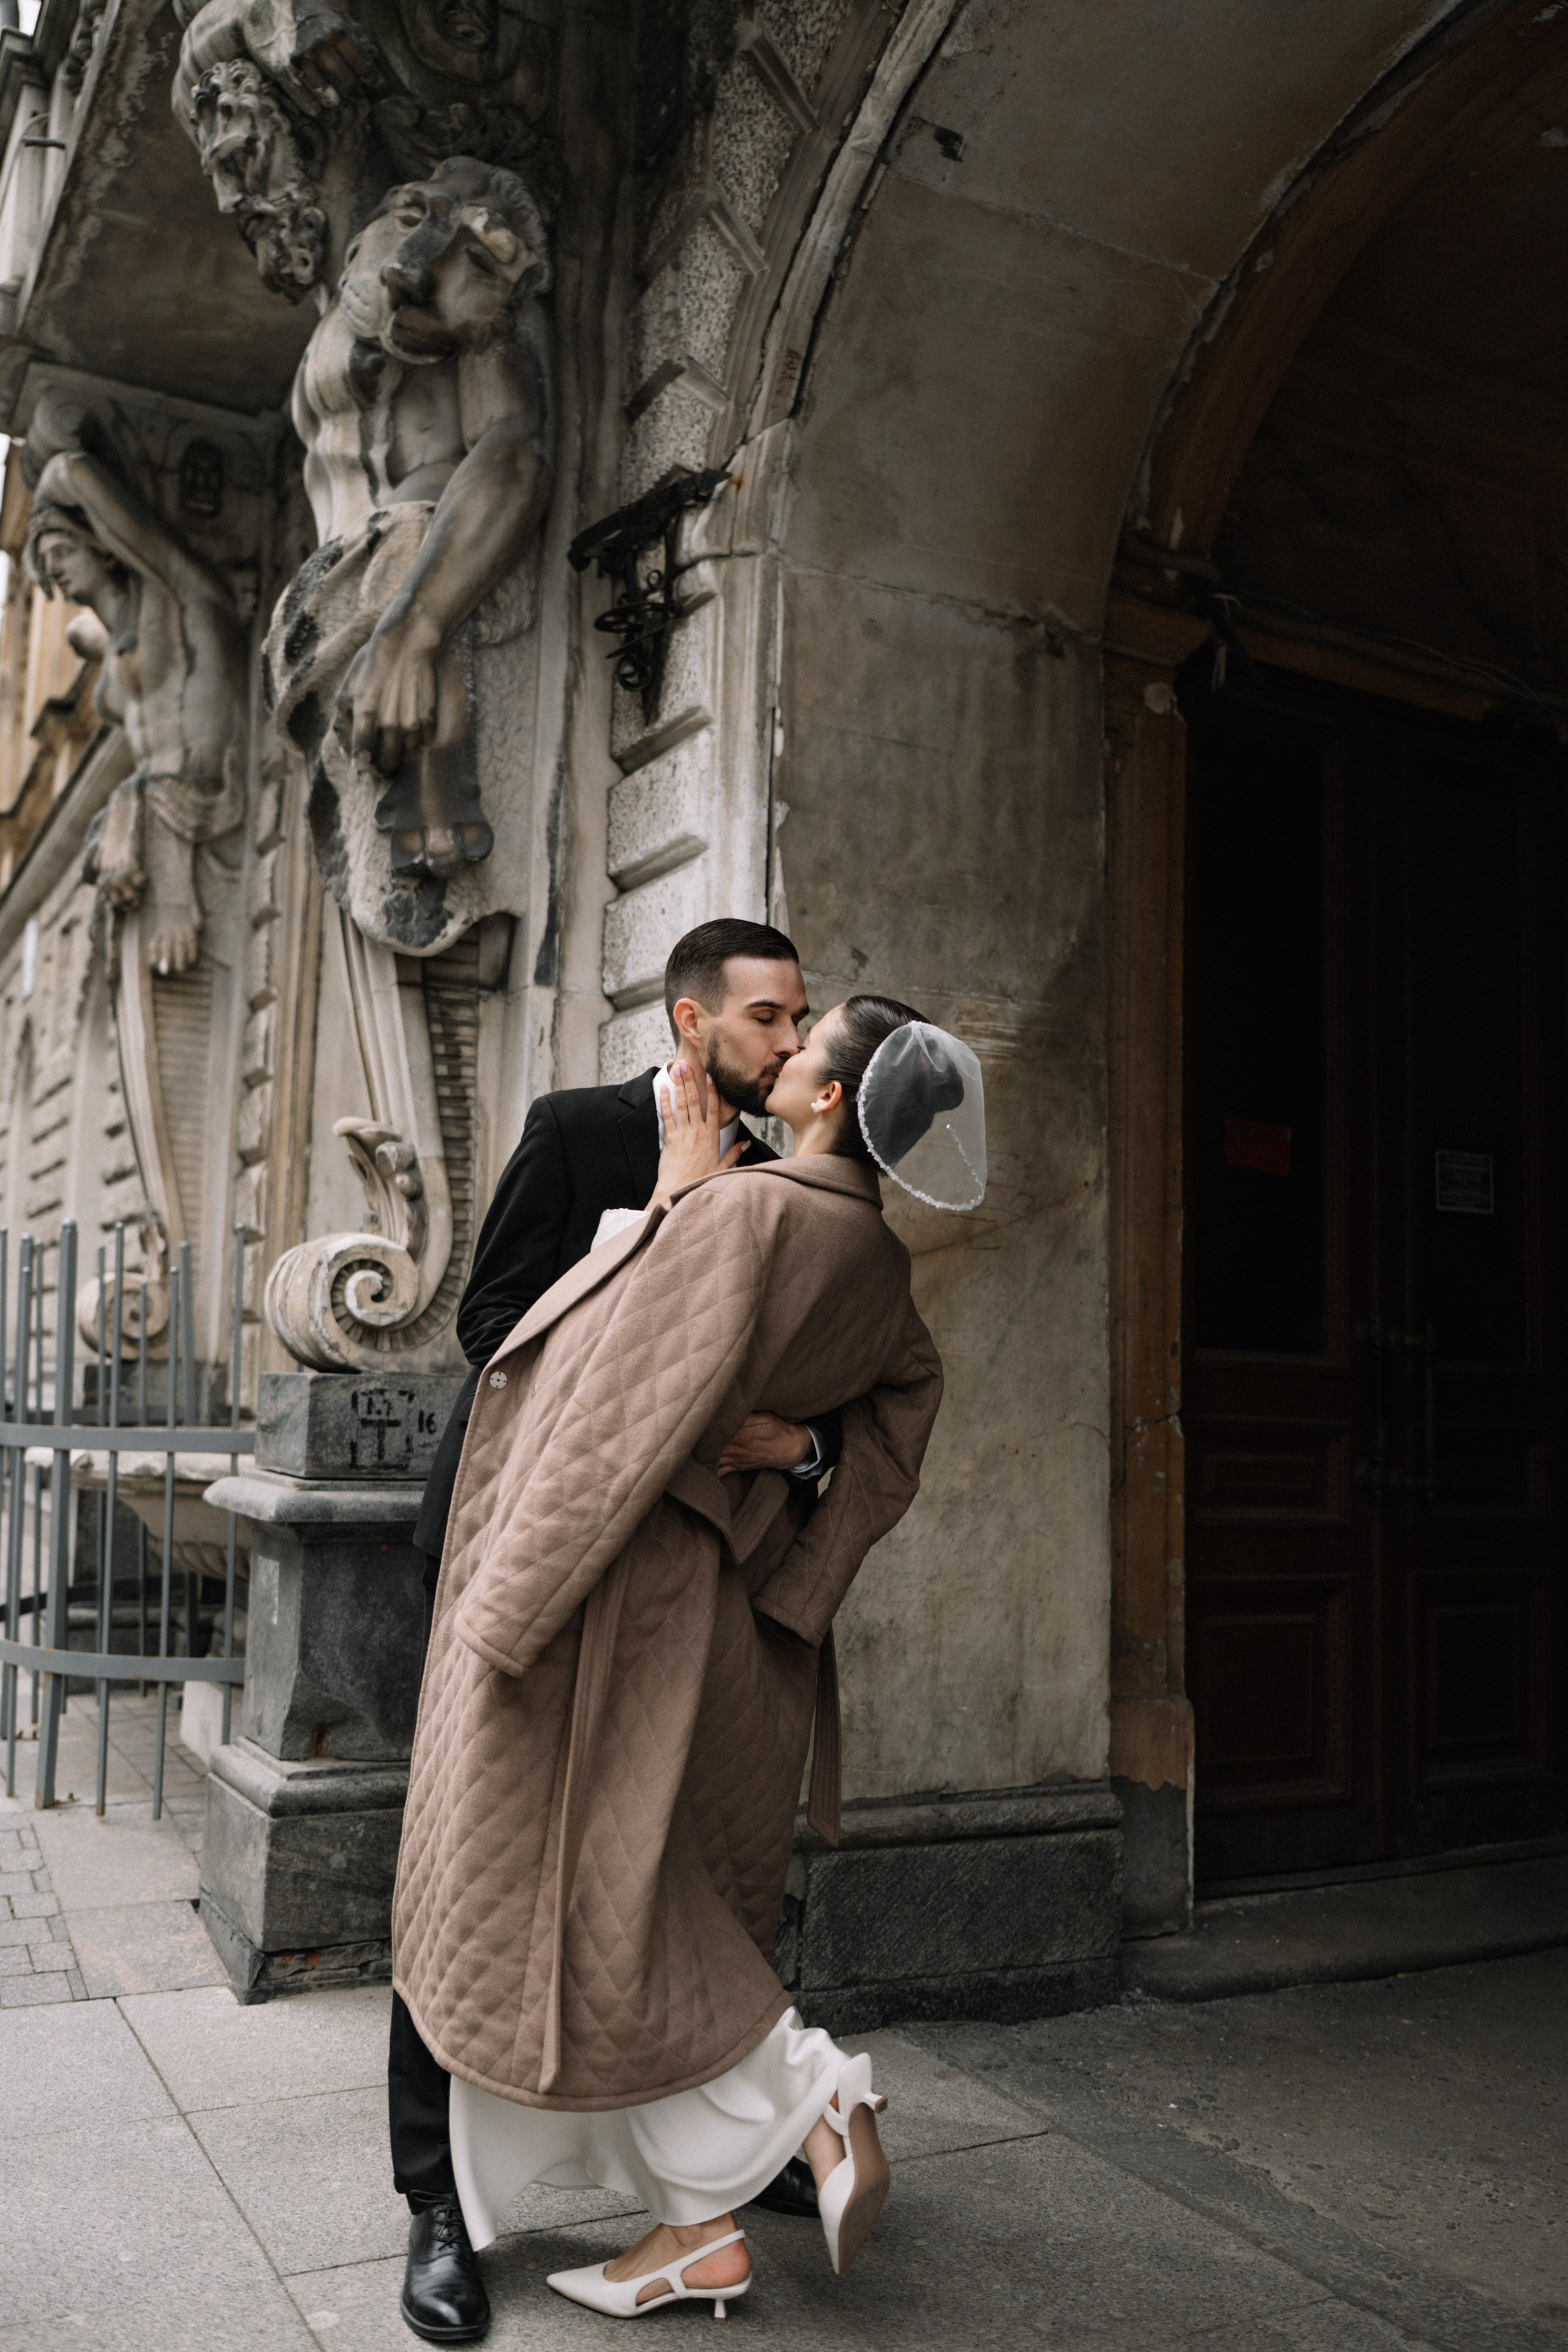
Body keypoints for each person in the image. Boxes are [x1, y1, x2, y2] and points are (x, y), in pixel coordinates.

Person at [391, 992, 982, 2337]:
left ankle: (809, 2101)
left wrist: (504, 1607)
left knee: (574, 1882)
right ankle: (695, 2224)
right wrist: (801, 1519)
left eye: (805, 1037)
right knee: (631, 1881)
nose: (786, 1047)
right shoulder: (875, 1256)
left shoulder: (742, 1210)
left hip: (604, 1594)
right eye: (775, 1018)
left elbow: (609, 1415)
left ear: (826, 1098)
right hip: (710, 1607)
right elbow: (904, 1403)